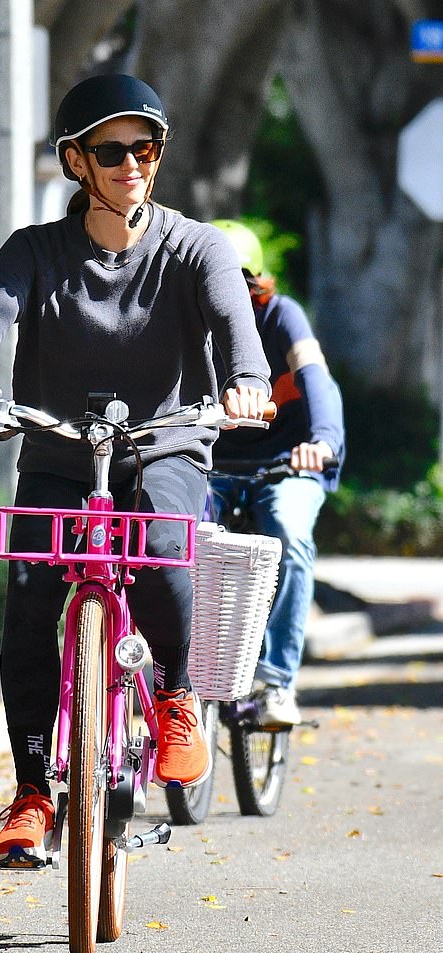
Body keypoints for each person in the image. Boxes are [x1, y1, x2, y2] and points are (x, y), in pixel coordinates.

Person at [0, 75, 272, 868]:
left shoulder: (196, 246)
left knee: (158, 546)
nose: (131, 165)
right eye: (111, 151)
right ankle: (32, 794)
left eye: (144, 148)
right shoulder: (36, 249)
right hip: (56, 453)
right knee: (27, 600)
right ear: (76, 162)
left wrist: (246, 380)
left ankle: (178, 697)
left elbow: (231, 319)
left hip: (165, 444)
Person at [209, 220, 345, 727]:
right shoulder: (182, 323)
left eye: (236, 284)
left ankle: (277, 683)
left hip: (288, 460)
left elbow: (316, 379)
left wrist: (324, 441)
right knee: (172, 539)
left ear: (257, 284)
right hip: (209, 466)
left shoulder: (283, 317)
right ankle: (173, 674)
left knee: (288, 532)